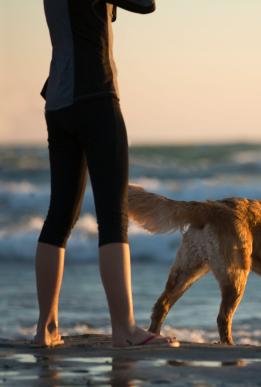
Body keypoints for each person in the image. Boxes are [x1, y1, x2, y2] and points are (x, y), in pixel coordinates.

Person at [34, 0, 178, 348]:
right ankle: (125, 330)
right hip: (95, 97)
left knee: (59, 216)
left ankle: (46, 329)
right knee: (112, 218)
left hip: (58, 101)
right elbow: (146, 4)